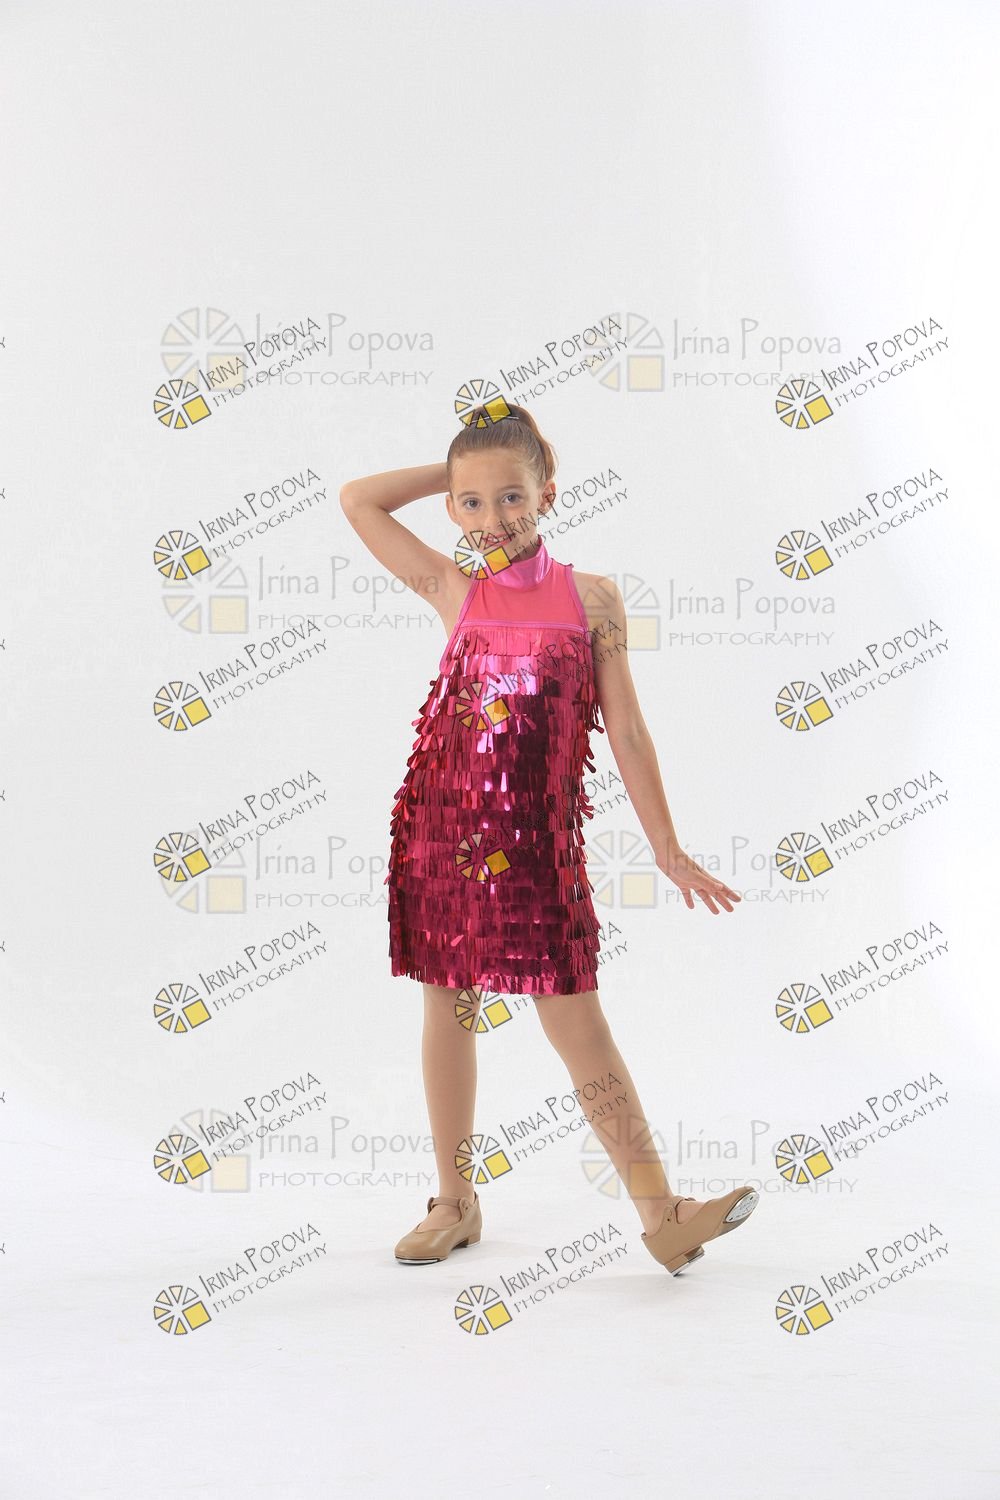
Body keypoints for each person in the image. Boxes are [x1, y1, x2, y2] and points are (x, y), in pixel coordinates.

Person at [339, 403, 759, 1276]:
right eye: (472, 502)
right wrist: (460, 464)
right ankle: (453, 1202)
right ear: (451, 510)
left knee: (578, 1023)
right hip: (444, 834)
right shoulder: (452, 588)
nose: (494, 517)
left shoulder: (592, 599)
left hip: (537, 852)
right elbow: (358, 500)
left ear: (547, 496)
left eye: (513, 496)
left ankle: (663, 1214)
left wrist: (667, 846)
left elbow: (627, 729)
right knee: (448, 1009)